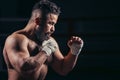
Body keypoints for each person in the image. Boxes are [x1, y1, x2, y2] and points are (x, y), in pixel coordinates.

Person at [3, 0, 84, 80]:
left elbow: (62, 69)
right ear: (37, 21)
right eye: (50, 23)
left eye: (54, 24)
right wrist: (46, 50)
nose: (53, 29)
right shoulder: (16, 39)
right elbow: (25, 68)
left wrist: (74, 51)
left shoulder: (49, 41)